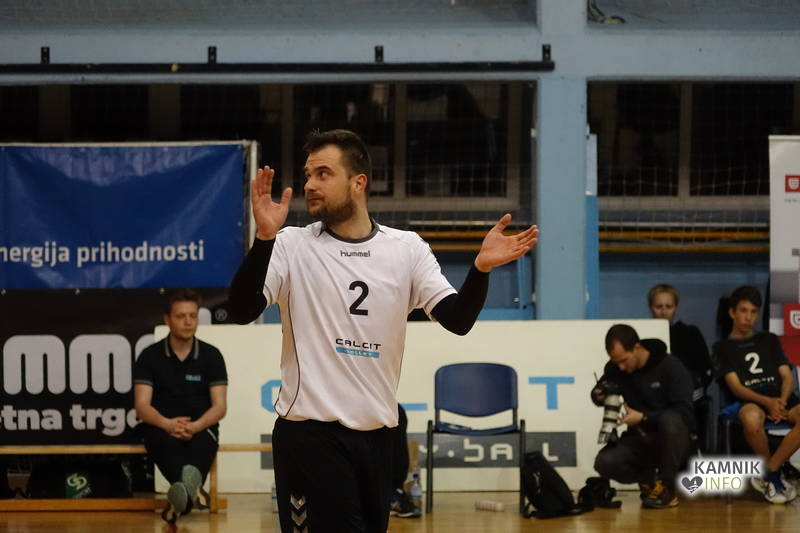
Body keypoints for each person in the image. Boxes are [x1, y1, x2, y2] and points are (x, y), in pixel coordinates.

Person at [228, 128, 538, 532]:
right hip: (310, 437)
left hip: (377, 440)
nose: (309, 185)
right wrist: (264, 238)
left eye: (323, 174)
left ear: (358, 183)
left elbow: (458, 319)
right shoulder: (291, 245)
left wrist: (480, 269)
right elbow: (241, 310)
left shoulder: (406, 249)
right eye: (308, 175)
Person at [134, 288, 228, 523]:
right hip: (161, 429)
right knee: (180, 469)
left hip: (201, 429)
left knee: (189, 472)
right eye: (180, 316)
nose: (188, 322)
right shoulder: (149, 356)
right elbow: (142, 406)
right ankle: (189, 493)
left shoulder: (212, 356)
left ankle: (182, 499)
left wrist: (196, 426)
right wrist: (167, 424)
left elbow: (220, 407)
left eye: (193, 316)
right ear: (167, 319)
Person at [712, 285, 800, 504]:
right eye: (743, 311)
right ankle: (775, 474)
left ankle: (771, 471)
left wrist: (780, 401)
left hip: (780, 399)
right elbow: (736, 387)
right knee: (751, 419)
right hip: (751, 400)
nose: (748, 317)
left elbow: (787, 375)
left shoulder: (769, 339)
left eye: (753, 312)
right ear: (732, 312)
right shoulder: (722, 347)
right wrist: (768, 403)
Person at [592, 324, 695, 509]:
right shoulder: (616, 368)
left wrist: (644, 417)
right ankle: (648, 480)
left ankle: (667, 487)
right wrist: (598, 394)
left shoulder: (671, 366)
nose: (621, 367)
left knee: (669, 421)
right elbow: (601, 391)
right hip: (639, 438)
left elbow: (685, 412)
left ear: (637, 348)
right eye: (616, 362)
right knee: (604, 462)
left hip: (673, 439)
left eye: (624, 360)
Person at [648, 284, 713, 451]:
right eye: (658, 306)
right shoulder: (644, 336)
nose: (664, 311)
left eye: (668, 306)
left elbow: (706, 371)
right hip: (652, 400)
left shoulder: (690, 333)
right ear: (651, 308)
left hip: (687, 399)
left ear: (676, 307)